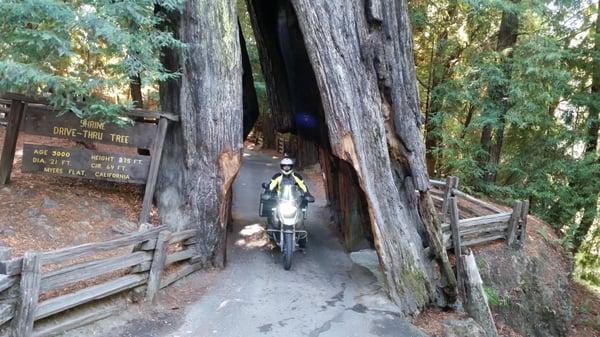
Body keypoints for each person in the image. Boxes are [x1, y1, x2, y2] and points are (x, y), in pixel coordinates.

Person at [264, 157, 313, 229]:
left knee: (301, 210)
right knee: (271, 209)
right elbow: (271, 186)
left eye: (288, 166)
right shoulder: (277, 176)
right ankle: (271, 225)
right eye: (284, 166)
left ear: (291, 167)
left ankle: (300, 228)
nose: (286, 168)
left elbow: (303, 186)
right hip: (279, 200)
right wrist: (268, 193)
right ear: (282, 167)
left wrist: (307, 194)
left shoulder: (297, 177)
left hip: (293, 200)